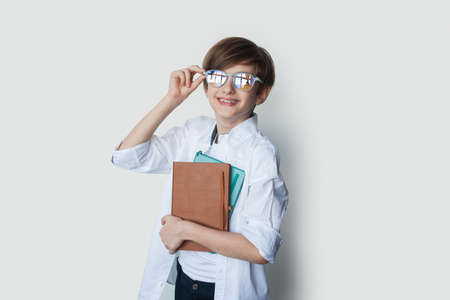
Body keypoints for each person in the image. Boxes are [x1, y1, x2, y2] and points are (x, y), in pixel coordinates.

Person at [111, 36, 289, 300]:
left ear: (261, 93)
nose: (228, 89)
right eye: (218, 77)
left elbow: (260, 249)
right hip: (185, 280)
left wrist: (184, 230)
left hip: (222, 289)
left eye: (243, 81)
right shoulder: (194, 133)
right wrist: (172, 99)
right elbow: (127, 156)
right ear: (206, 85)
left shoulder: (260, 153)